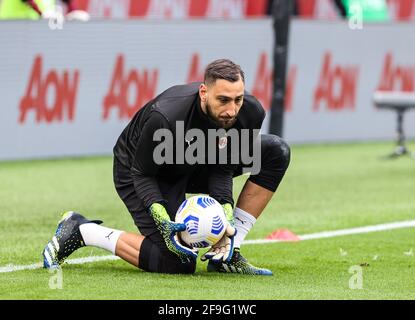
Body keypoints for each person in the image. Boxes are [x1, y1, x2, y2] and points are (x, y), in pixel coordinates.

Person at [42, 59, 291, 275]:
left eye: (237, 99)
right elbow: (143, 173)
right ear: (204, 92)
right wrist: (162, 220)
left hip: (197, 161)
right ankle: (82, 230)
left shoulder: (249, 113)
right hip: (143, 170)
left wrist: (227, 217)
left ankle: (227, 252)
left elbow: (222, 167)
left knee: (275, 152)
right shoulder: (167, 116)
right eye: (223, 100)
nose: (231, 110)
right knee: (177, 262)